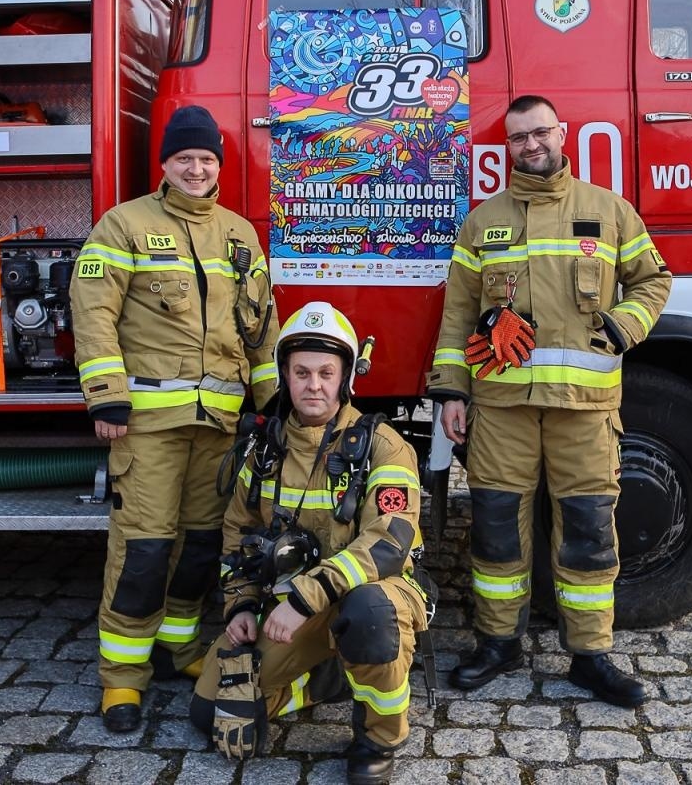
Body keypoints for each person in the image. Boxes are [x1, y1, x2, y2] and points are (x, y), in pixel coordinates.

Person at [427, 94, 672, 707]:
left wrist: (624, 325)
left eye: (540, 133)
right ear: (505, 146)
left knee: (589, 531)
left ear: (562, 134)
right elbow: (458, 313)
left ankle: (590, 656)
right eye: (517, 138)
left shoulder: (608, 211)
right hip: (501, 409)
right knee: (496, 532)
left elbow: (654, 279)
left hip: (585, 411)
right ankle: (497, 643)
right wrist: (452, 391)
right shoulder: (483, 222)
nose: (530, 145)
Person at [71, 104, 279, 733]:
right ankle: (122, 681)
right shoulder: (123, 225)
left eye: (206, 159)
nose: (195, 169)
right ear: (164, 163)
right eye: (184, 158)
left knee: (200, 550)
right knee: (143, 551)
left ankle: (180, 651)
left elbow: (261, 324)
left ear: (220, 164)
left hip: (218, 425)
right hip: (147, 425)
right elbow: (93, 310)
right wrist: (105, 394)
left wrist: (271, 407)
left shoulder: (240, 233)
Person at [191, 302, 427, 785]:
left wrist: (305, 598)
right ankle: (332, 676)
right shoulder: (263, 451)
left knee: (368, 616)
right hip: (289, 605)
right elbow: (237, 535)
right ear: (285, 375)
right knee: (209, 710)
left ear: (345, 379)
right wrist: (240, 607)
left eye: (325, 372)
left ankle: (379, 737)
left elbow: (388, 544)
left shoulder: (383, 446)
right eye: (301, 372)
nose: (313, 385)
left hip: (370, 594)